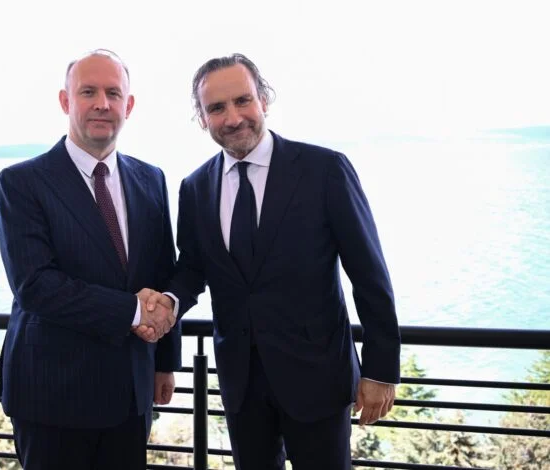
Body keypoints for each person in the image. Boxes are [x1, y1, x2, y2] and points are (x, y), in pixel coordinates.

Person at [145, 53, 401, 469]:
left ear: (263, 99)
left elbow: (370, 274)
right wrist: (169, 302)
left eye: (243, 100)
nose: (233, 118)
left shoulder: (324, 169)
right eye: (217, 108)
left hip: (319, 379)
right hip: (241, 385)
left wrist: (380, 370)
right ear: (202, 119)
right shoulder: (195, 188)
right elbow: (192, 267)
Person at [0, 49, 181, 470]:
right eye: (88, 92)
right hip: (52, 396)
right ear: (66, 101)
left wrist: (164, 362)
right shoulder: (21, 182)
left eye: (113, 93)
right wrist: (136, 311)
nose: (102, 103)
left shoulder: (151, 179)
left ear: (128, 106)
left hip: (131, 393)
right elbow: (35, 286)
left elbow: (161, 270)